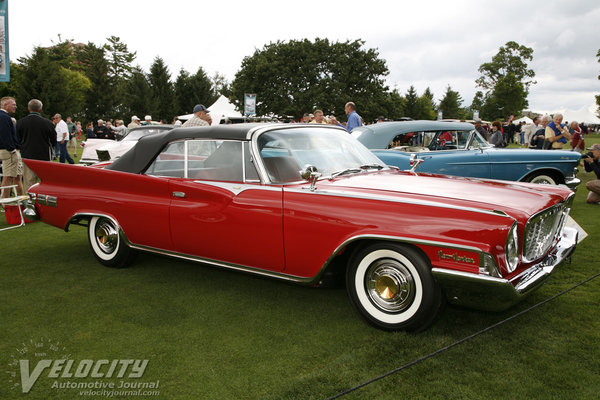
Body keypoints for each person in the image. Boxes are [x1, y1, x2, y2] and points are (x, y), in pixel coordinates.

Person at [16, 99, 57, 191]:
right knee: (45, 180)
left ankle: (31, 201)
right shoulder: (47, 123)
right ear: (40, 109)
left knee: (29, 181)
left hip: (27, 155)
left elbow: (17, 139)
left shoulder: (21, 122)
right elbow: (53, 140)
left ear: (28, 108)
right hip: (44, 155)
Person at [0, 96, 24, 198]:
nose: (15, 106)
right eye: (13, 104)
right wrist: (12, 149)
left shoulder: (4, 116)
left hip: (10, 150)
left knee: (17, 176)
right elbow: (5, 135)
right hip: (9, 151)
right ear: (6, 105)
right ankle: (3, 201)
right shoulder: (4, 117)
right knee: (8, 177)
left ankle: (22, 199)